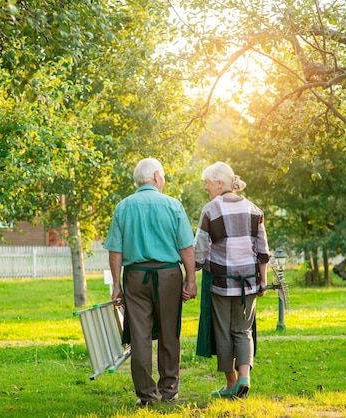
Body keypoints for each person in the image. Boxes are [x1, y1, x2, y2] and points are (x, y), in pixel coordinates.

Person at [103, 157, 197, 407]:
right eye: (163, 176)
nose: (164, 180)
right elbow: (186, 246)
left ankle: (147, 395)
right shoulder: (173, 205)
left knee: (140, 336)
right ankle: (168, 390)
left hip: (135, 276)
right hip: (168, 276)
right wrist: (191, 279)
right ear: (156, 176)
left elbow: (115, 251)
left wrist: (116, 285)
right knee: (169, 333)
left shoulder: (123, 206)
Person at [194, 162, 270, 399]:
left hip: (221, 283)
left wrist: (191, 272)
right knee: (243, 330)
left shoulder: (210, 210)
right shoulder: (254, 210)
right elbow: (263, 251)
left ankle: (231, 384)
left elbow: (200, 250)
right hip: (248, 281)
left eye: (207, 182)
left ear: (219, 183)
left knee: (223, 332)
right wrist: (263, 281)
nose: (206, 187)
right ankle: (245, 377)